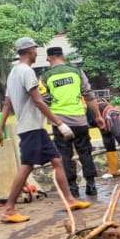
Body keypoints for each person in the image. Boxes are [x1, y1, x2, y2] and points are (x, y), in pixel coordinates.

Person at [0, 37, 90, 224]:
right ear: (30, 51)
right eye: (35, 50)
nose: (37, 53)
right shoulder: (26, 72)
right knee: (27, 166)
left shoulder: (14, 72)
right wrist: (59, 123)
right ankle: (8, 209)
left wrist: (0, 130)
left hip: (34, 127)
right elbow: (38, 100)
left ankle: (69, 200)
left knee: (57, 161)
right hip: (31, 128)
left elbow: (7, 103)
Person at [39, 46, 98, 201]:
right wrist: (98, 116)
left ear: (49, 58)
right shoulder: (77, 72)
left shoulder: (45, 77)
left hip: (60, 123)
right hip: (80, 120)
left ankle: (73, 189)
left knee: (65, 156)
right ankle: (91, 186)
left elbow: (43, 101)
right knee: (85, 152)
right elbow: (89, 96)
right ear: (62, 56)